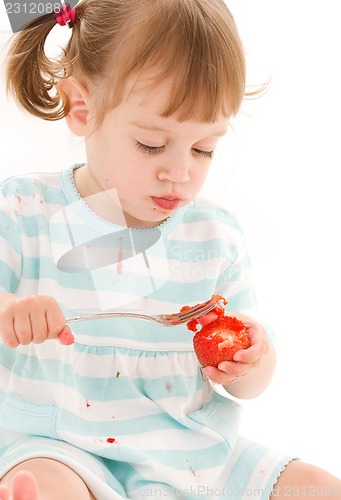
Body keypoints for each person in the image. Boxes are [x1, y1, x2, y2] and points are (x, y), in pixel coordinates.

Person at [0, 0, 340, 498]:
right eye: (152, 145)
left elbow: (249, 386)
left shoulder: (213, 238)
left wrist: (252, 360)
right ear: (82, 107)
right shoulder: (25, 211)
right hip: (63, 441)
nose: (180, 173)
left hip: (193, 450)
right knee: (48, 485)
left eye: (204, 149)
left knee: (318, 487)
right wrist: (11, 313)